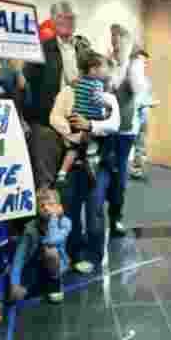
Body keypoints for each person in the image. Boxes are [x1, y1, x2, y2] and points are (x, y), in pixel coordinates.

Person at [49, 56, 120, 275]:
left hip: (98, 162)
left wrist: (90, 125)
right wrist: (73, 133)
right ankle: (75, 253)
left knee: (94, 211)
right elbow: (54, 117)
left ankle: (94, 255)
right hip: (74, 162)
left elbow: (114, 124)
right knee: (70, 209)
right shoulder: (68, 92)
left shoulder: (107, 97)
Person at [23, 1, 93, 189]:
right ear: (53, 20)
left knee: (75, 180)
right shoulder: (40, 49)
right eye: (62, 17)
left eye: (71, 17)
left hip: (78, 118)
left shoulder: (83, 48)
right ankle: (48, 213)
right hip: (47, 122)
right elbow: (28, 86)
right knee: (46, 180)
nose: (68, 21)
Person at [55, 50, 109, 189]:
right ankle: (91, 163)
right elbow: (97, 100)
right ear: (93, 70)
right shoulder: (97, 85)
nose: (106, 71)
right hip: (91, 118)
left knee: (72, 148)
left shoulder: (78, 82)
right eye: (104, 68)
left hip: (76, 117)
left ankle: (62, 172)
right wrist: (107, 103)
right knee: (96, 142)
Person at [106, 26, 141, 236]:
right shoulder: (109, 62)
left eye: (117, 39)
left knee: (119, 178)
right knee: (103, 177)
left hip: (124, 132)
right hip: (105, 130)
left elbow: (137, 89)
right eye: (112, 39)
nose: (114, 44)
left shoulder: (133, 65)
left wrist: (127, 62)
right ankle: (103, 216)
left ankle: (115, 218)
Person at [9, 187, 70, 304]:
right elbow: (19, 257)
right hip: (34, 265)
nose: (46, 208)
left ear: (59, 207)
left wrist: (53, 218)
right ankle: (35, 286)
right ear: (37, 209)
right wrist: (14, 283)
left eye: (51, 204)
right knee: (15, 294)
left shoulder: (65, 223)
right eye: (42, 206)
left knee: (50, 250)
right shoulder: (31, 227)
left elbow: (52, 240)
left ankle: (55, 284)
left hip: (55, 264)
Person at [127, 49, 154, 180]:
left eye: (145, 62)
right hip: (130, 117)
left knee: (140, 144)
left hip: (143, 116)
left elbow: (147, 97)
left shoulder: (147, 81)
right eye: (140, 61)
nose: (143, 64)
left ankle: (137, 169)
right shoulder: (128, 77)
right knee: (126, 143)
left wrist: (149, 103)